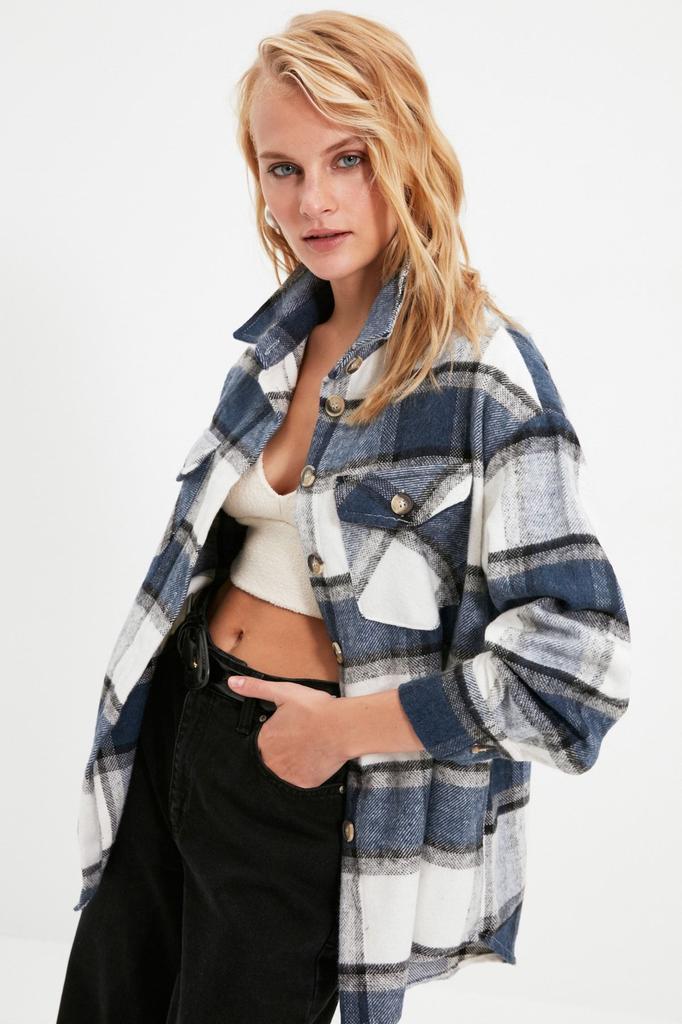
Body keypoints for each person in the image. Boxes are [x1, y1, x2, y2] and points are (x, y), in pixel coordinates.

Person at [56, 11, 632, 1024]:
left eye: (347, 158)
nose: (311, 200)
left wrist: (342, 733)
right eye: (282, 169)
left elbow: (577, 669)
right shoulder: (272, 352)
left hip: (310, 780)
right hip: (178, 724)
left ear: (405, 151)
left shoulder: (481, 373)